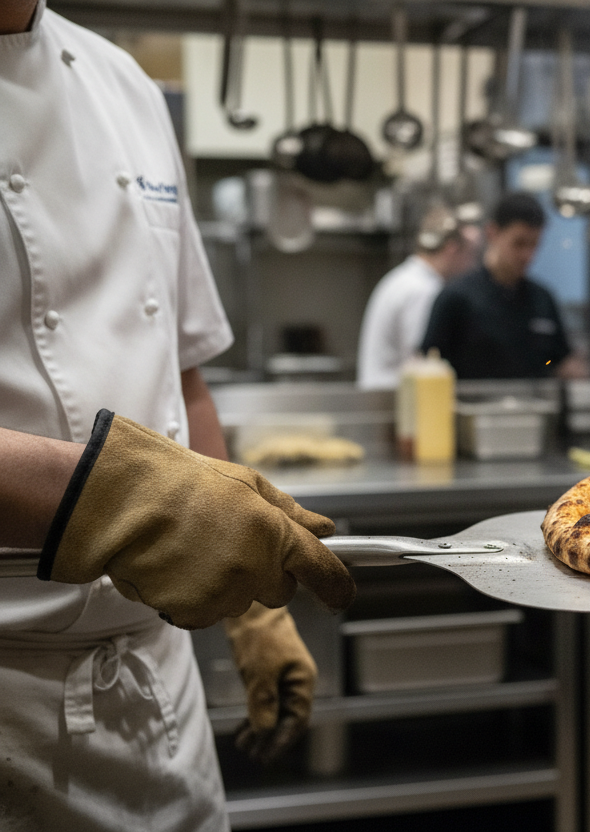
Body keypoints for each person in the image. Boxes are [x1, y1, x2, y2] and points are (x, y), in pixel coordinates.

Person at [0, 2, 355, 828]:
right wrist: (99, 496)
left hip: (157, 685)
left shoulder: (124, 82)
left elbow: (183, 375)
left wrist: (255, 607)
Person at [420, 192, 590, 379]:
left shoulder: (543, 299)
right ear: (492, 233)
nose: (528, 255)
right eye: (519, 243)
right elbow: (428, 366)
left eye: (534, 244)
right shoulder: (456, 298)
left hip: (536, 406)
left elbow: (560, 361)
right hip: (472, 407)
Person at [357, 206, 480, 390]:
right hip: (394, 400)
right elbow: (424, 362)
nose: (472, 265)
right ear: (452, 249)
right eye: (471, 254)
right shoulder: (424, 291)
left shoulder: (402, 278)